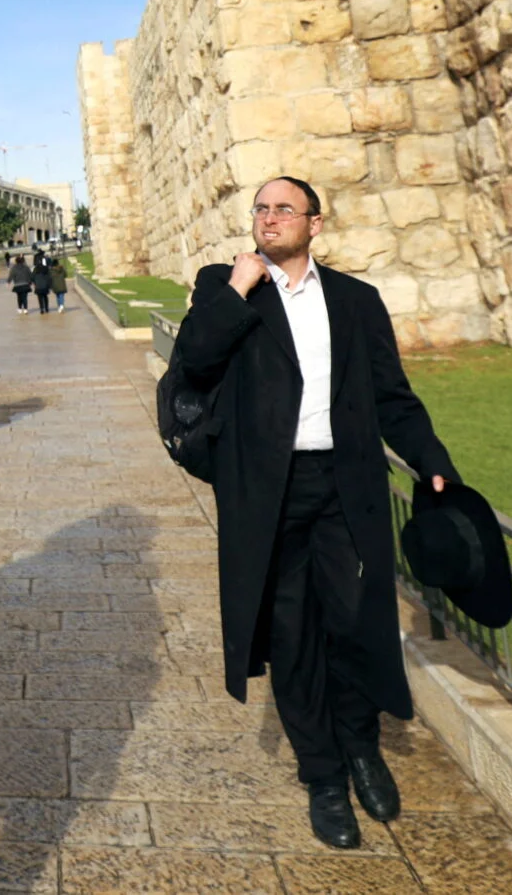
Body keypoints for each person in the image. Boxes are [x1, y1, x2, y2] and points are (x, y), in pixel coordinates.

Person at [171, 177, 462, 852]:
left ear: (315, 224)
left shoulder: (357, 301)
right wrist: (238, 288)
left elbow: (393, 395)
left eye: (283, 208)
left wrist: (431, 457)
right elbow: (192, 360)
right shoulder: (226, 284)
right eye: (261, 209)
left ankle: (361, 746)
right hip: (267, 493)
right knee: (292, 634)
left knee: (356, 622)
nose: (269, 218)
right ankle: (324, 774)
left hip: (344, 485)